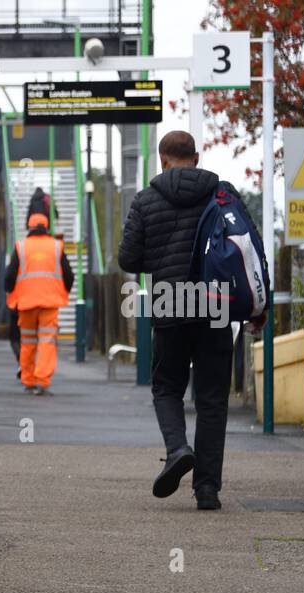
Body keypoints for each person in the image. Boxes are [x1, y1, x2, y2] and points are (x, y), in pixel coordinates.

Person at [118, 130, 252, 511]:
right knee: (212, 399)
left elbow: (128, 259)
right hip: (215, 305)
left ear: (163, 160)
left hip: (168, 304)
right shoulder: (221, 193)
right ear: (196, 156)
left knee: (166, 388)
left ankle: (178, 449)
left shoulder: (145, 200)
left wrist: (158, 259)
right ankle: (207, 489)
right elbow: (243, 246)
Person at [4, 211, 73, 396]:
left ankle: (28, 381)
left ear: (29, 227)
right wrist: (64, 291)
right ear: (46, 227)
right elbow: (69, 274)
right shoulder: (57, 246)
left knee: (27, 342)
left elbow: (10, 276)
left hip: (26, 303)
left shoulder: (21, 246)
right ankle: (42, 382)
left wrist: (10, 293)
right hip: (50, 303)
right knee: (46, 342)